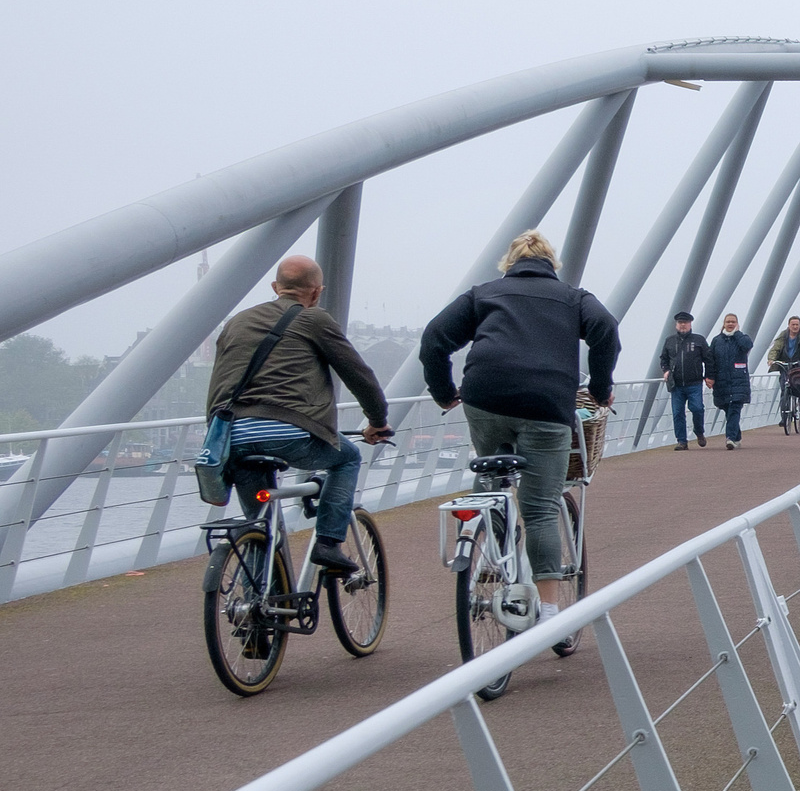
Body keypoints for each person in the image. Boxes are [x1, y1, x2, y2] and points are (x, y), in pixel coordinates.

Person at [420, 230, 618, 628]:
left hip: (485, 395)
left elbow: (433, 340)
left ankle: (490, 550)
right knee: (541, 507)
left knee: (492, 473)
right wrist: (599, 389)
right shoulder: (574, 298)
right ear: (552, 265)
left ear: (509, 264)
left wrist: (444, 393)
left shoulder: (483, 293)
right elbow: (606, 332)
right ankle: (547, 615)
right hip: (546, 400)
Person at [207, 255, 391, 574]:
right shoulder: (314, 319)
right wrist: (377, 421)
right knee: (346, 458)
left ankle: (255, 610)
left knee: (260, 524)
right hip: (287, 434)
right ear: (317, 292)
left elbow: (218, 383)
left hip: (232, 436)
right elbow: (358, 375)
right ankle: (328, 543)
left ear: (276, 287)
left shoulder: (236, 322)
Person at [656, 310, 711, 449]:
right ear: (676, 325)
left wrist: (710, 376)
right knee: (677, 413)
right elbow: (664, 359)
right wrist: (666, 370)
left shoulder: (699, 340)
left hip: (695, 383)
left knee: (697, 408)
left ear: (690, 324)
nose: (682, 325)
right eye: (680, 323)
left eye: (685, 323)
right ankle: (682, 441)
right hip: (676, 384)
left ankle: (699, 432)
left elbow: (709, 359)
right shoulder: (670, 341)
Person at [709, 311, 755, 447]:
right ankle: (737, 436)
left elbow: (748, 346)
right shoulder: (717, 341)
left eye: (733, 322)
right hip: (721, 381)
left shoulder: (742, 338)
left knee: (735, 407)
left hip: (738, 380)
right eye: (728, 322)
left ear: (737, 324)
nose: (730, 324)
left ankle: (730, 438)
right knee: (727, 408)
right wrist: (709, 377)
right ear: (723, 324)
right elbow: (710, 360)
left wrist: (737, 333)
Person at [766, 315, 800, 430]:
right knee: (784, 388)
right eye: (793, 324)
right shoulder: (783, 335)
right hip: (786, 363)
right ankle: (784, 417)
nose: (795, 327)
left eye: (797, 324)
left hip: (799, 363)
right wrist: (771, 359)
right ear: (789, 325)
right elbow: (776, 348)